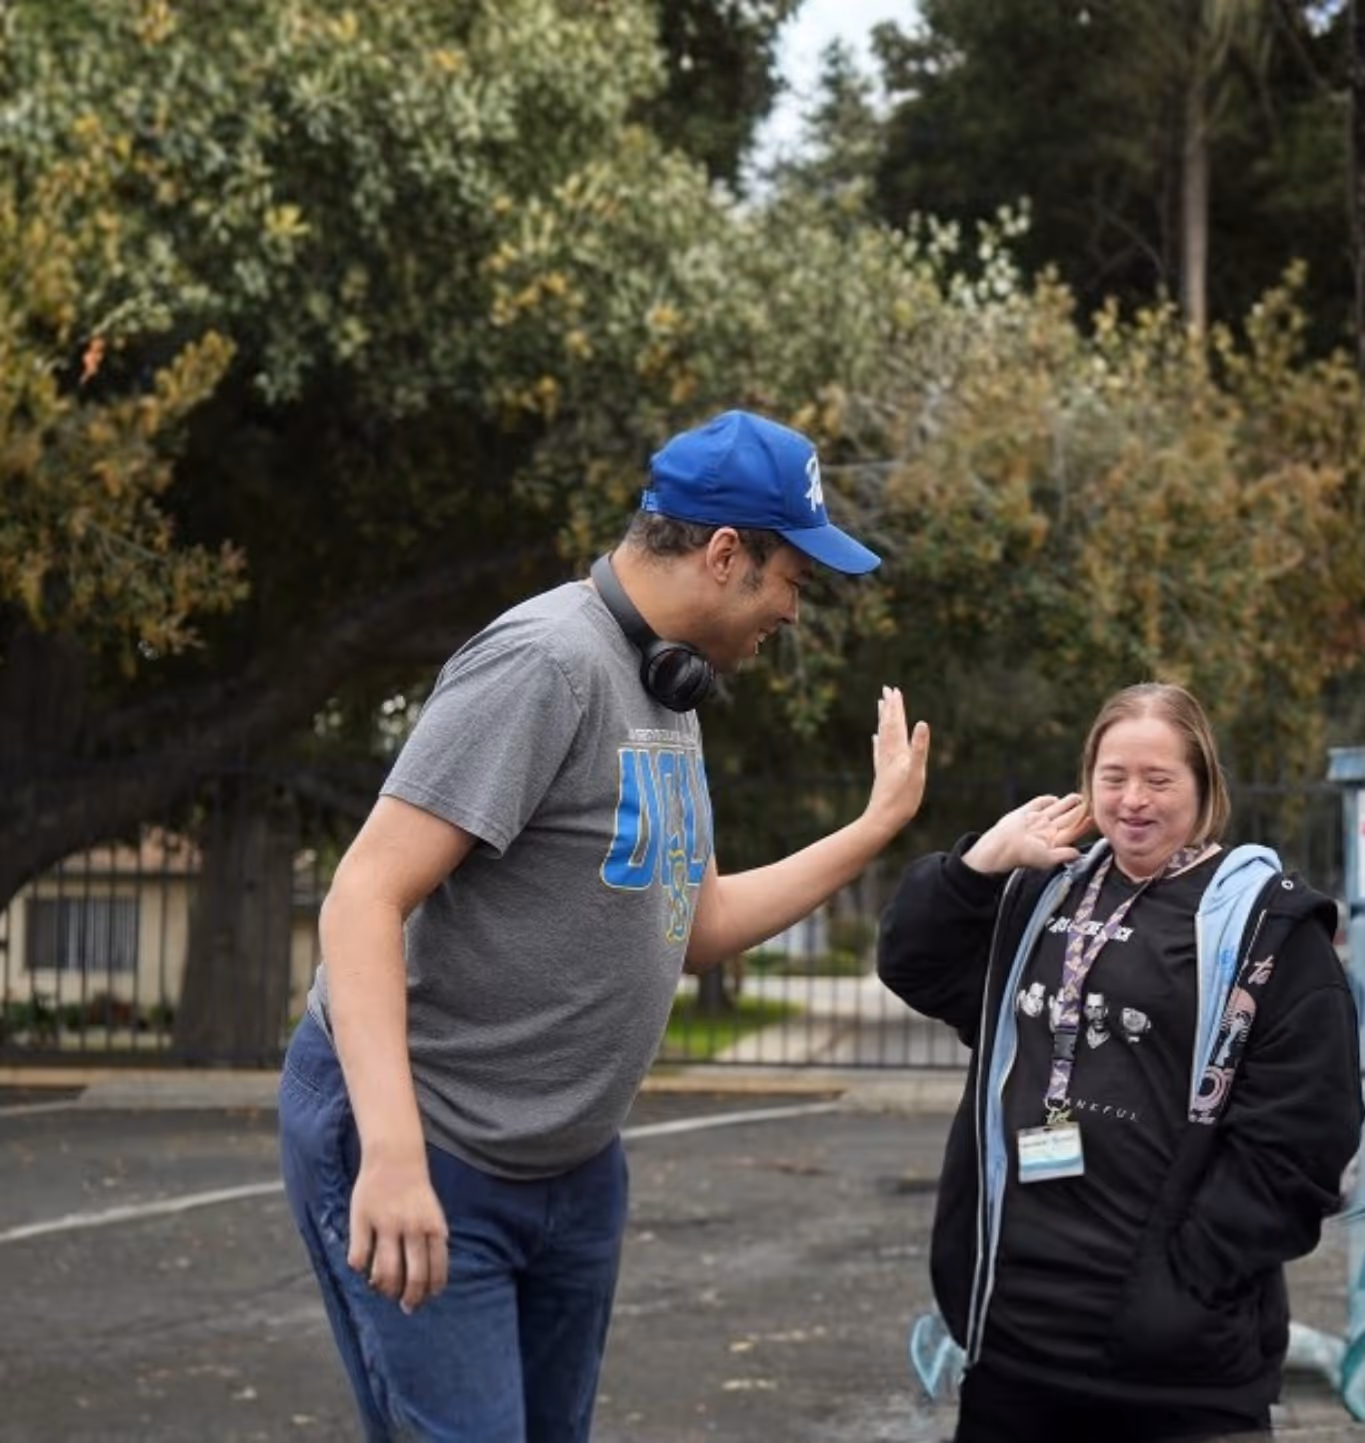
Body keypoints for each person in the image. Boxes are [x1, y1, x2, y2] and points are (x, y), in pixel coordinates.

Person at [277, 408, 931, 1443]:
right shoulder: (544, 664)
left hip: (572, 1168)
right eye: (793, 580)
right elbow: (364, 896)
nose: (795, 611)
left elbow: (700, 921)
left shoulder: (667, 690)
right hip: (435, 1141)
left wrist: (875, 827)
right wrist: (393, 1157)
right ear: (725, 554)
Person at [877, 682, 1362, 1443]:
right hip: (1013, 1348)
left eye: (1158, 778)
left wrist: (1180, 1286)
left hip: (1179, 1372)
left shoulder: (1270, 930)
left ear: (1203, 787)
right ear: (1087, 781)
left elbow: (1305, 1139)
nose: (1132, 799)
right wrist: (979, 862)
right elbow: (913, 961)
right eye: (1113, 776)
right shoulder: (1036, 890)